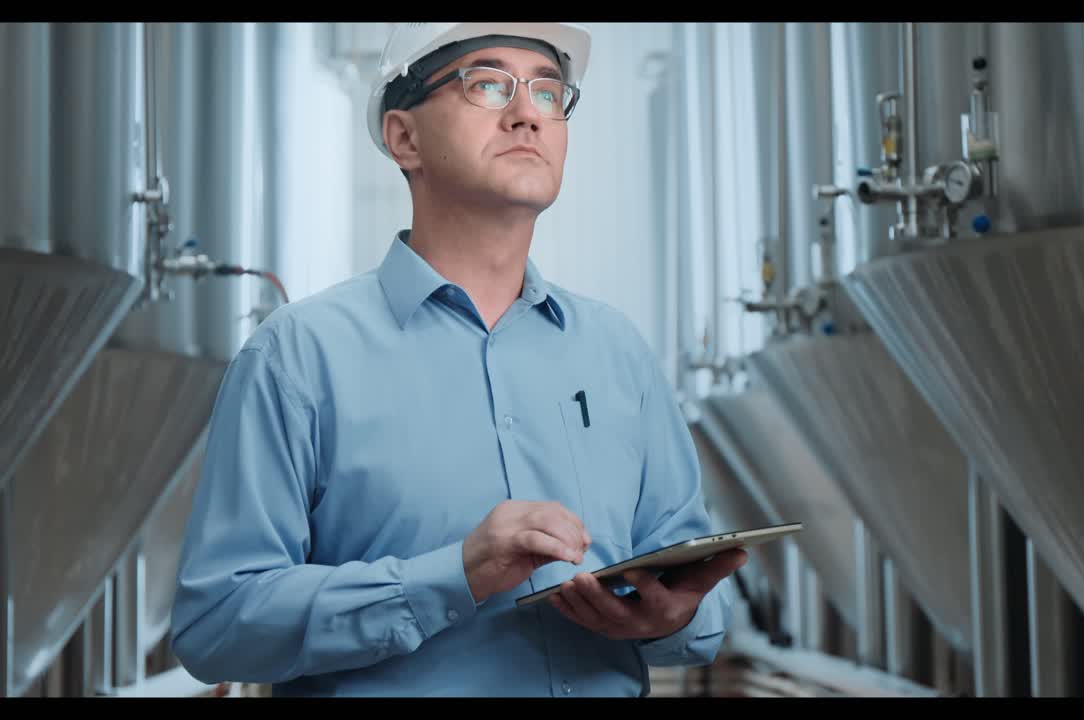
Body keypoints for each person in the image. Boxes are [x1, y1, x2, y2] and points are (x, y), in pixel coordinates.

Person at [169, 22, 747, 698]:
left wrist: (674, 616)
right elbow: (216, 624)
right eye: (489, 84)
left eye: (548, 92)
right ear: (404, 138)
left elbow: (702, 605)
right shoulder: (297, 357)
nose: (528, 113)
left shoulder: (618, 352)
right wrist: (451, 578)